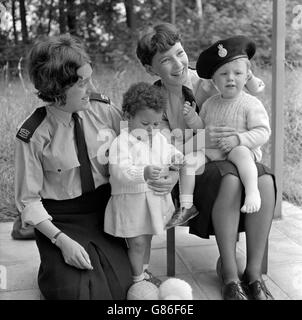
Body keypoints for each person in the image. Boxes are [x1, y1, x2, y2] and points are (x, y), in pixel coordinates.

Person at [136, 23, 276, 300]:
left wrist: (250, 81)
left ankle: (255, 275)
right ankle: (230, 275)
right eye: (166, 60)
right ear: (151, 70)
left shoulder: (211, 76)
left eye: (180, 53)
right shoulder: (153, 101)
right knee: (231, 179)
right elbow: (168, 150)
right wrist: (203, 137)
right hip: (192, 171)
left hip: (234, 154)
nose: (178, 64)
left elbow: (242, 75)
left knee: (264, 179)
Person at [14, 34, 133, 300]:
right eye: (81, 83)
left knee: (118, 287)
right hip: (61, 217)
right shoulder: (34, 134)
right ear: (57, 90)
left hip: (104, 210)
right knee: (74, 291)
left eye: (89, 78)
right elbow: (28, 201)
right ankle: (50, 263)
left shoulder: (104, 111)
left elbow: (137, 149)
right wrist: (61, 241)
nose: (90, 87)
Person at [166, 35, 271, 230]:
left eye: (237, 73)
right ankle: (187, 206)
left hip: (240, 150)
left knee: (240, 153)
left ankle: (252, 190)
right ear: (213, 80)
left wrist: (238, 139)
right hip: (213, 150)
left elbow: (263, 131)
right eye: (223, 74)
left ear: (247, 76)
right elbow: (202, 128)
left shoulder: (251, 104)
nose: (230, 78)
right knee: (188, 162)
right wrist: (192, 119)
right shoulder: (210, 103)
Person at [104, 82, 184, 287]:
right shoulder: (121, 143)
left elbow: (168, 151)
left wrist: (176, 158)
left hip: (152, 200)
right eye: (145, 123)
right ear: (128, 116)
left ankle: (144, 271)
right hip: (131, 202)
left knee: (147, 238)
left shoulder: (158, 139)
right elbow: (118, 171)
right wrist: (143, 172)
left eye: (156, 124)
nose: (151, 129)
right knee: (137, 242)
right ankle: (136, 279)